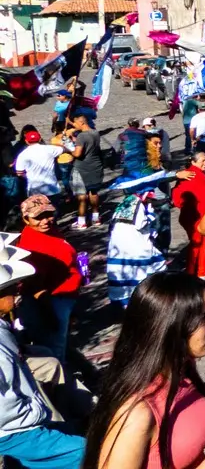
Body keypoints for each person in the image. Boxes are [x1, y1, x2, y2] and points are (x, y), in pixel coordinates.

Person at [83, 272, 205, 469]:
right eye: (203, 317)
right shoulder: (136, 412)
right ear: (169, 327)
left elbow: (174, 439)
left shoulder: (182, 372)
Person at [0, 242, 85, 469]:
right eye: (9, 289)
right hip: (14, 433)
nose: (17, 292)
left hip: (20, 425)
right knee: (90, 454)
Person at [15, 195, 81, 363]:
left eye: (48, 215)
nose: (45, 220)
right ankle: (61, 383)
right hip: (52, 302)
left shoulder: (48, 232)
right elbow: (35, 287)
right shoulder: (30, 246)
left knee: (61, 343)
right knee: (55, 348)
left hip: (64, 297)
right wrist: (51, 317)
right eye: (38, 217)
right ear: (26, 219)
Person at [174, 152, 205, 278]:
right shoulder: (194, 175)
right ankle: (200, 271)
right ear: (193, 162)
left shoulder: (189, 174)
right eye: (203, 160)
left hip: (191, 216)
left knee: (199, 243)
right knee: (202, 243)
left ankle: (195, 271)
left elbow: (176, 198)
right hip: (198, 217)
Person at [66, 111, 104, 228]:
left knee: (82, 195)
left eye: (75, 123)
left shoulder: (81, 136)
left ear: (81, 122)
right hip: (95, 166)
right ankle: (96, 218)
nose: (74, 125)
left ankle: (82, 221)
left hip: (82, 168)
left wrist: (67, 148)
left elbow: (77, 154)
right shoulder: (95, 133)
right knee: (93, 192)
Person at [14, 129, 66, 200]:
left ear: (26, 141)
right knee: (55, 208)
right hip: (52, 188)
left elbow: (19, 173)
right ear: (40, 139)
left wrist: (28, 177)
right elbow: (64, 149)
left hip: (34, 189)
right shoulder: (49, 149)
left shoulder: (22, 155)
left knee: (38, 210)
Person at [181, 91, 204, 156]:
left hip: (186, 121)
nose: (199, 97)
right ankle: (192, 149)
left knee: (188, 135)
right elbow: (201, 104)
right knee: (192, 135)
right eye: (198, 96)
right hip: (190, 121)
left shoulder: (186, 101)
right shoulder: (192, 101)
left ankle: (187, 149)